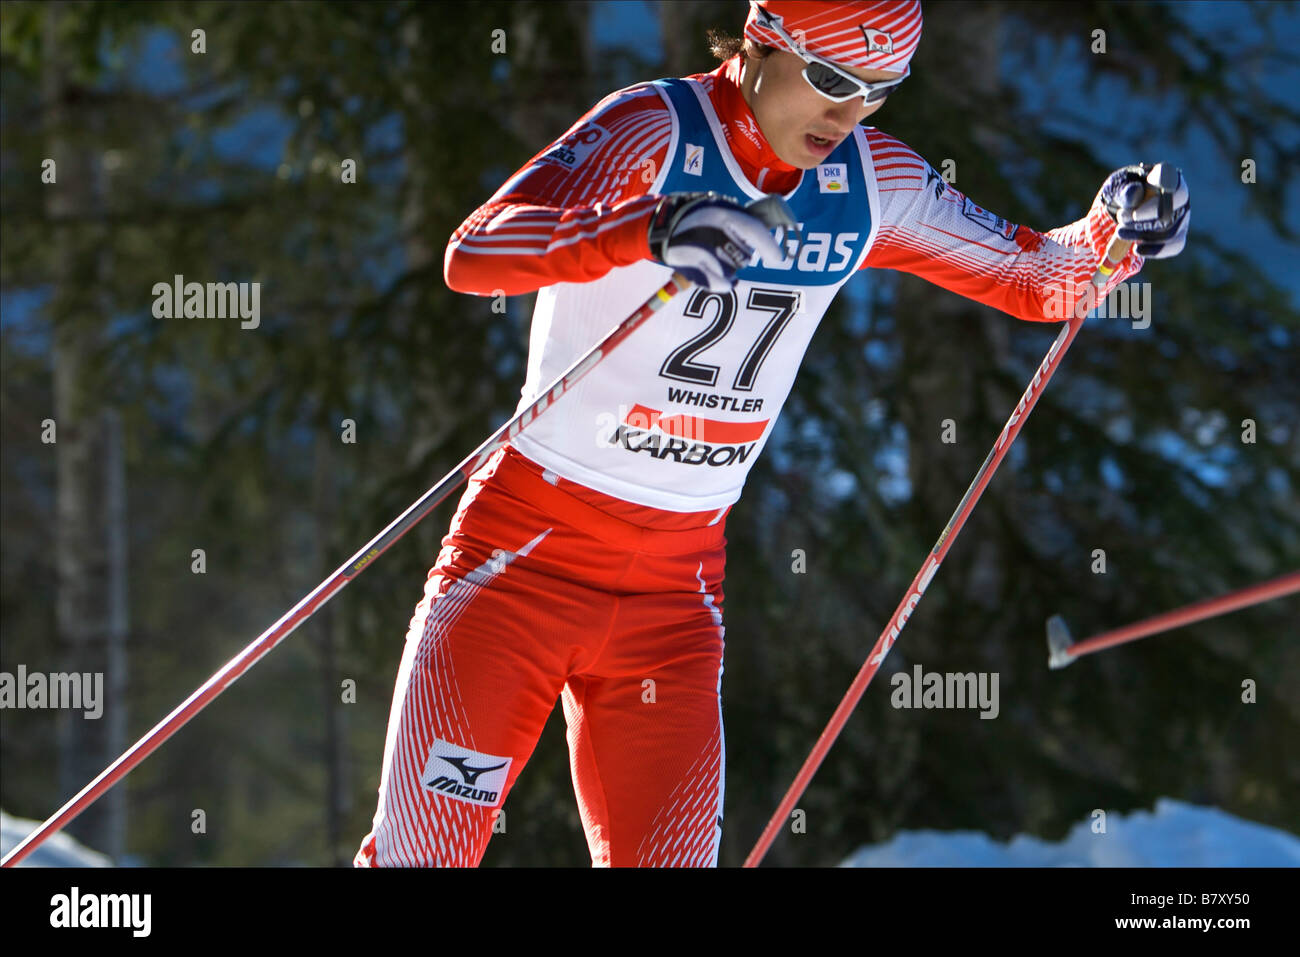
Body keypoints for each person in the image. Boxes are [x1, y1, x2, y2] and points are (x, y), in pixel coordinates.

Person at [354, 0, 1190, 868]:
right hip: (520, 563)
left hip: (675, 599)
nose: (846, 112)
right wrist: (647, 227)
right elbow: (475, 252)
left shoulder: (874, 181)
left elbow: (1037, 280)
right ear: (759, 45)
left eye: (879, 90)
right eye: (830, 79)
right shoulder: (654, 130)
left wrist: (1113, 233)